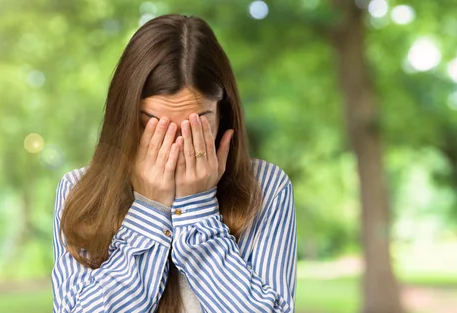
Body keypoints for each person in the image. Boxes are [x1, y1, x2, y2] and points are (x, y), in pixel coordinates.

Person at [51, 14, 296, 313]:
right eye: (155, 125)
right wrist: (150, 209)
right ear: (125, 119)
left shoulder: (266, 187)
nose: (178, 145)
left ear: (223, 113)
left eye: (197, 125)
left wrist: (197, 209)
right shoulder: (79, 192)